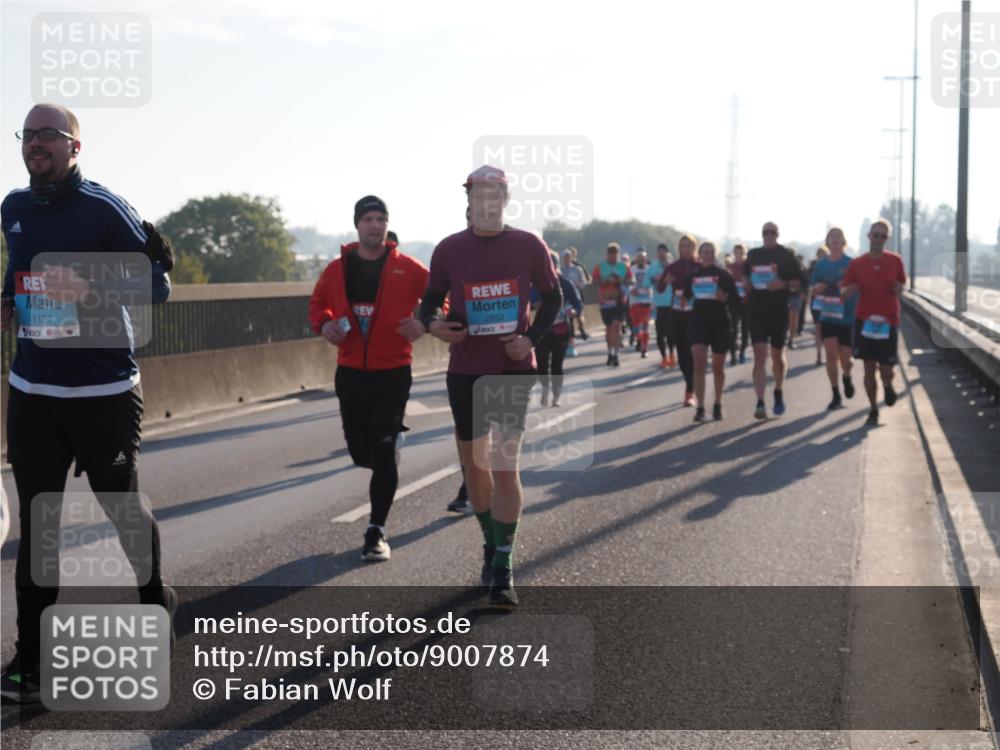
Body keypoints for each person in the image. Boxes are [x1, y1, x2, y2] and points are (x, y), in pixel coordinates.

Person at [1, 103, 176, 703]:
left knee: (120, 508)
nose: (35, 145)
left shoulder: (104, 208)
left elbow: (157, 285)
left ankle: (154, 597)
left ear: (76, 146)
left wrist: (92, 286)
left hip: (103, 390)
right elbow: (18, 276)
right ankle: (32, 661)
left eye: (48, 135)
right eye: (28, 136)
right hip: (33, 390)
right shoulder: (14, 208)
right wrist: (7, 304)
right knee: (39, 524)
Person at [419, 165, 561, 606]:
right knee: (474, 467)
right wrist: (437, 327)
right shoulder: (449, 250)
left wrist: (530, 339)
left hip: (511, 367)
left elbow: (554, 296)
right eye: (477, 194)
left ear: (505, 198)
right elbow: (427, 305)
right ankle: (488, 541)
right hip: (465, 370)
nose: (485, 202)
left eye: (493, 194)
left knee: (503, 464)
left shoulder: (528, 245)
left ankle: (503, 563)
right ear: (468, 200)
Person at [309, 196, 429, 561]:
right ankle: (385, 454)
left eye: (381, 219)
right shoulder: (337, 269)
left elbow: (440, 298)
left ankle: (375, 531)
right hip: (350, 373)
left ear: (387, 225)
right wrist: (325, 324)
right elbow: (318, 306)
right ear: (357, 225)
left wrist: (423, 322)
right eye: (368, 219)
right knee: (361, 453)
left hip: (392, 373)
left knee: (381, 449)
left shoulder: (408, 269)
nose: (375, 225)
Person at [840, 219, 906, 426]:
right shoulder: (857, 264)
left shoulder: (895, 261)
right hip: (865, 321)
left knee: (887, 369)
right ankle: (873, 408)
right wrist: (848, 291)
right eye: (875, 235)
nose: (878, 239)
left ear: (887, 239)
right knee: (869, 368)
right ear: (869, 236)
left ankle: (887, 385)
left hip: (888, 321)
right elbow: (844, 291)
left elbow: (903, 285)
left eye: (883, 236)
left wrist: (898, 288)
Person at [744, 222, 801, 418]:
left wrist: (783, 283)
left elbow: (800, 282)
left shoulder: (786, 255)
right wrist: (746, 284)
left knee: (777, 355)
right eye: (765, 232)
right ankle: (760, 402)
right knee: (760, 355)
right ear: (762, 235)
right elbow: (745, 277)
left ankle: (778, 389)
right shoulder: (753, 255)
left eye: (772, 232)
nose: (769, 235)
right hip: (757, 311)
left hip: (778, 311)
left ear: (778, 234)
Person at [684, 242, 741, 421]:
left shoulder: (724, 275)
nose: (708, 255)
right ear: (699, 255)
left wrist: (724, 298)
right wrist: (684, 301)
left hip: (720, 324)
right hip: (698, 324)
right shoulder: (692, 276)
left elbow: (736, 302)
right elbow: (686, 297)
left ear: (715, 255)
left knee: (718, 367)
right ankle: (700, 408)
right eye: (705, 252)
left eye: (711, 252)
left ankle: (717, 403)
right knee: (699, 364)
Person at [810, 229, 855, 410]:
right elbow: (812, 289)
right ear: (827, 242)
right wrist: (817, 288)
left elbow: (858, 286)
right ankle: (835, 393)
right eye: (831, 237)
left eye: (838, 237)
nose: (835, 240)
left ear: (844, 241)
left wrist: (847, 288)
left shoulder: (851, 263)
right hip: (828, 315)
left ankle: (847, 376)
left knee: (846, 359)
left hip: (847, 316)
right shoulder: (820, 265)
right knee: (830, 355)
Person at [657, 235, 700, 405]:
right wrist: (666, 281)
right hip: (678, 313)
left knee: (695, 352)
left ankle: (690, 390)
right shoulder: (673, 267)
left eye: (689, 245)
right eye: (683, 246)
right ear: (679, 248)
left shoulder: (700, 266)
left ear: (694, 248)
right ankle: (689, 385)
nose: (686, 248)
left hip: (697, 314)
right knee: (682, 355)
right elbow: (660, 288)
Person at [537, 251, 584, 406]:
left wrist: (574, 311)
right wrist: (534, 304)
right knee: (542, 364)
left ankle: (556, 396)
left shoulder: (565, 283)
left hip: (561, 329)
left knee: (557, 365)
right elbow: (527, 300)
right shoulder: (537, 283)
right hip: (542, 330)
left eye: (552, 265)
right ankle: (545, 389)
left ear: (556, 266)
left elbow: (578, 303)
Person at [592, 243, 632, 367]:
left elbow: (632, 280)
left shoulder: (624, 266)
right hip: (605, 301)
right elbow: (593, 282)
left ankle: (616, 354)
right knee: (609, 328)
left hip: (620, 300)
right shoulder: (600, 267)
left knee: (617, 326)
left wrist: (620, 280)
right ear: (607, 254)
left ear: (618, 254)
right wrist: (605, 281)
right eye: (611, 254)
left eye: (615, 254)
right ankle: (610, 353)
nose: (613, 256)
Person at [648, 243, 676, 369]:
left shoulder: (673, 266)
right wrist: (656, 280)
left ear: (667, 252)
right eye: (658, 251)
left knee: (670, 332)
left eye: (663, 251)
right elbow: (646, 281)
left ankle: (671, 354)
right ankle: (664, 357)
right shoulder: (653, 267)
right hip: (659, 303)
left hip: (671, 303)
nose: (660, 253)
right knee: (659, 333)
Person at [560, 248, 589, 357]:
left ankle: (582, 327)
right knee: (569, 321)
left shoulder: (577, 269)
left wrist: (577, 285)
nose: (567, 259)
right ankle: (571, 345)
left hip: (576, 296)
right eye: (565, 257)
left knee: (579, 316)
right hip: (565, 298)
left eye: (568, 257)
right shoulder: (561, 270)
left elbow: (584, 283)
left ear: (571, 257)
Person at [726, 243, 751, 365]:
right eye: (736, 252)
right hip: (733, 302)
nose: (739, 254)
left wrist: (747, 285)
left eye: (741, 252)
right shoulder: (730, 267)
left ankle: (742, 353)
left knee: (745, 330)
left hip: (746, 302)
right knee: (733, 330)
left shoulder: (749, 267)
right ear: (734, 253)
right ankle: (733, 355)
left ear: (744, 253)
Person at [628, 248, 655, 358]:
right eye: (639, 259)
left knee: (645, 326)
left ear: (646, 260)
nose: (641, 261)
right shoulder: (631, 270)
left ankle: (644, 348)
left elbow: (654, 283)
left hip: (647, 301)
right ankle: (639, 339)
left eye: (643, 259)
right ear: (636, 260)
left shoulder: (650, 269)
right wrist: (631, 289)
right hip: (634, 302)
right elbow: (627, 283)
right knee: (635, 328)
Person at [808, 245, 830, 366]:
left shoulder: (831, 267)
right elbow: (810, 284)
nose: (820, 257)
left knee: (827, 330)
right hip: (816, 302)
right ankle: (819, 354)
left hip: (830, 303)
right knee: (818, 328)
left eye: (823, 254)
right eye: (819, 254)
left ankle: (829, 354)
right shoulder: (813, 268)